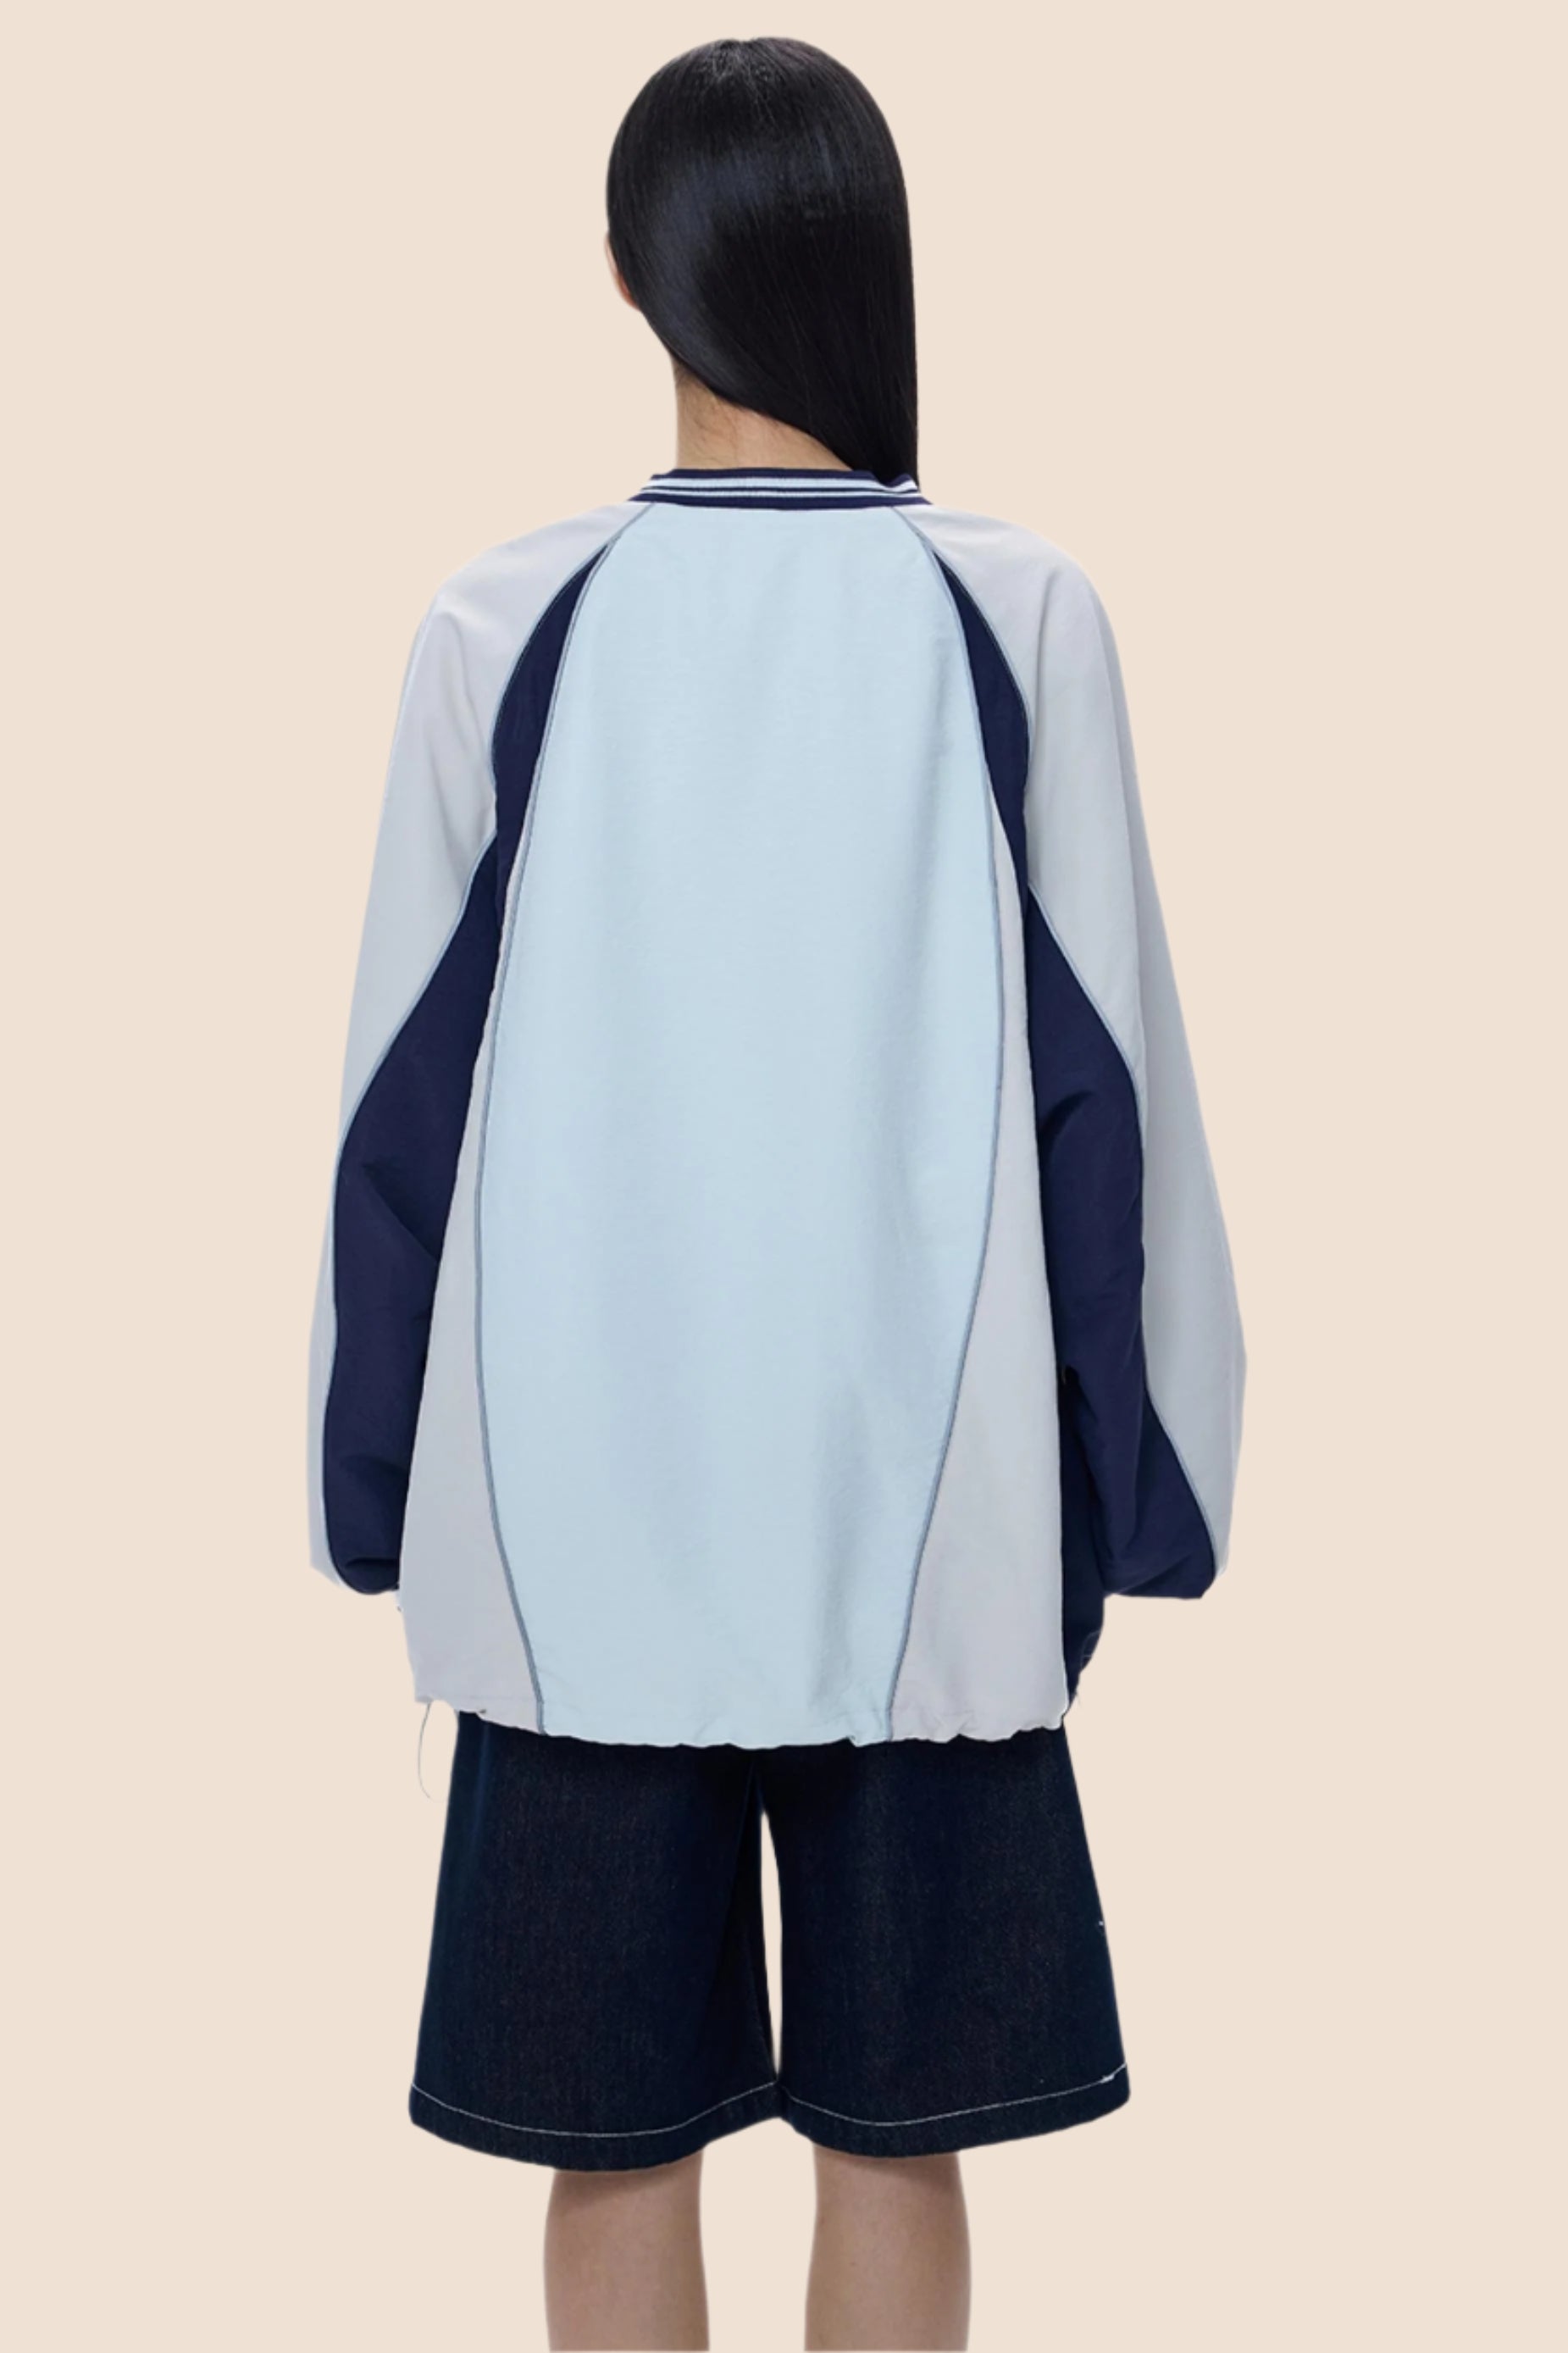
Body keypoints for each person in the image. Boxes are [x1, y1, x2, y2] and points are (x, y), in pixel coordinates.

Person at [306, 36, 1244, 2353]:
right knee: (896, 2134)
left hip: (571, 1539)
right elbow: (1109, 1092)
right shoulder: (1016, 611)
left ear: (627, 273)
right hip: (925, 1536)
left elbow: (397, 1108)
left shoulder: (498, 626)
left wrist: (369, 1488)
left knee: (609, 2141)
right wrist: (1145, 1489)